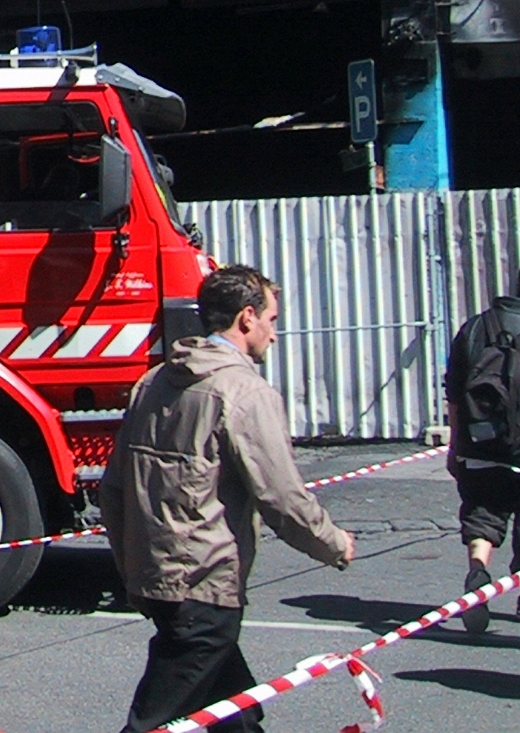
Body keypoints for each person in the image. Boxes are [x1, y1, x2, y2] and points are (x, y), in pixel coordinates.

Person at [101, 266, 355, 732]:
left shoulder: (154, 381)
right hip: (204, 583)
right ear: (246, 319)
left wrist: (131, 567)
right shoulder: (242, 392)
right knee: (154, 722)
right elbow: (281, 495)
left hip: (160, 578)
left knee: (234, 712)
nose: (274, 334)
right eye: (271, 320)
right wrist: (333, 542)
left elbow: (113, 488)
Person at [445, 256, 520, 632]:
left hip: (478, 441)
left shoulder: (475, 328)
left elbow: (454, 390)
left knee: (483, 510)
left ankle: (478, 572)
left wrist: (456, 444)